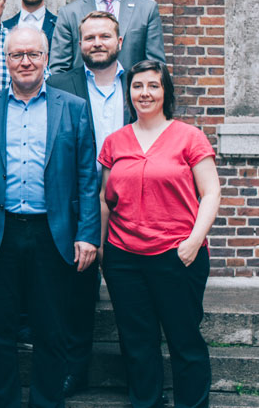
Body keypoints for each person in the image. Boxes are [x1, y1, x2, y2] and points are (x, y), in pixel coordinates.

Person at [0, 26, 99, 408]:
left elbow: (87, 178)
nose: (25, 61)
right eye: (16, 55)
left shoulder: (73, 107)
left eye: (33, 54)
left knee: (51, 329)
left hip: (53, 233)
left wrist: (88, 233)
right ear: (5, 60)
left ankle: (46, 402)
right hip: (1, 232)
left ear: (46, 58)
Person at [98, 59, 220, 408]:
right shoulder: (115, 142)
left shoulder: (189, 136)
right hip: (124, 258)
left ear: (165, 91)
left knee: (185, 342)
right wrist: (104, 250)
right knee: (137, 344)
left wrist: (193, 242)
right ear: (129, 92)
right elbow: (106, 200)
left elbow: (211, 192)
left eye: (153, 85)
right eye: (137, 86)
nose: (145, 93)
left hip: (178, 255)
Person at [46, 10, 133, 397]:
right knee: (78, 291)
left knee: (134, 290)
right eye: (89, 37)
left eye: (104, 36)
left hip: (132, 196)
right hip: (77, 197)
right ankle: (73, 371)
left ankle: (140, 376)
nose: (96, 43)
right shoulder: (60, 83)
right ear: (79, 45)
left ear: (119, 41)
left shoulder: (140, 83)